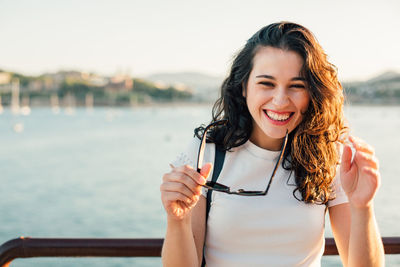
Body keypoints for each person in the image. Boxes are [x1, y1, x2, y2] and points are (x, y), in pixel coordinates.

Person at [160, 21, 384, 267]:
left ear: (313, 94)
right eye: (266, 83)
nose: (280, 100)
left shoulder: (330, 157)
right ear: (244, 86)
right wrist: (176, 220)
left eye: (297, 86)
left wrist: (363, 206)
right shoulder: (208, 152)